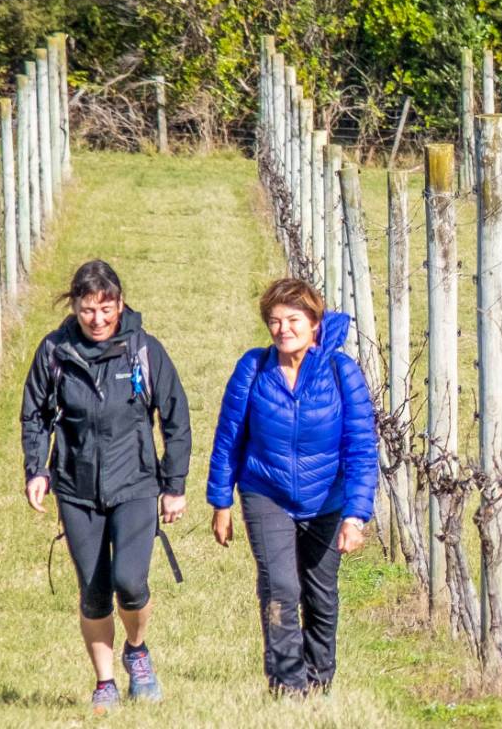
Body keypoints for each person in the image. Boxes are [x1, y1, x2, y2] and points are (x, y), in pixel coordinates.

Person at [20, 260, 192, 715]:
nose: (97, 319)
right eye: (88, 309)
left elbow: (176, 418)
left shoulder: (144, 351)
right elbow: (35, 415)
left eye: (106, 308)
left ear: (120, 304)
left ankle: (137, 650)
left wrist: (174, 484)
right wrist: (37, 470)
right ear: (74, 306)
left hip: (136, 483)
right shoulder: (54, 352)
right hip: (76, 489)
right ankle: (105, 683)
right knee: (94, 592)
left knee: (129, 583)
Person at [206, 277, 378, 697]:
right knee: (280, 588)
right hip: (266, 492)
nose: (283, 329)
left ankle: (319, 679)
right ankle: (288, 685)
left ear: (315, 323)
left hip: (327, 499)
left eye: (293, 320)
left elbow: (361, 446)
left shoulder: (341, 372)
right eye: (275, 321)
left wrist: (355, 516)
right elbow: (229, 438)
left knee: (320, 594)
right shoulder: (253, 368)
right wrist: (221, 502)